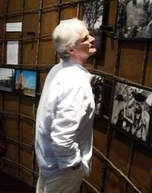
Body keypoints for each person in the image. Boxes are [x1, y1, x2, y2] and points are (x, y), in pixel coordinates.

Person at [35, 18, 96, 193]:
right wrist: (73, 164)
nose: (91, 39)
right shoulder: (76, 82)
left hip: (48, 162)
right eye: (85, 39)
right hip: (62, 170)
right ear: (71, 49)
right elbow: (63, 136)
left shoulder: (58, 70)